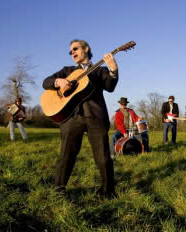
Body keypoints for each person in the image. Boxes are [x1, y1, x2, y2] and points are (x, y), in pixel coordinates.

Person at [42, 39, 118, 198]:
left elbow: (110, 86)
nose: (73, 53)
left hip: (95, 116)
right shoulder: (68, 70)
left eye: (75, 49)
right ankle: (59, 189)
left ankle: (108, 191)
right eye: (71, 51)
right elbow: (46, 82)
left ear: (86, 48)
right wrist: (58, 81)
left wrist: (113, 71)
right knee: (66, 154)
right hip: (71, 117)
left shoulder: (99, 70)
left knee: (102, 155)